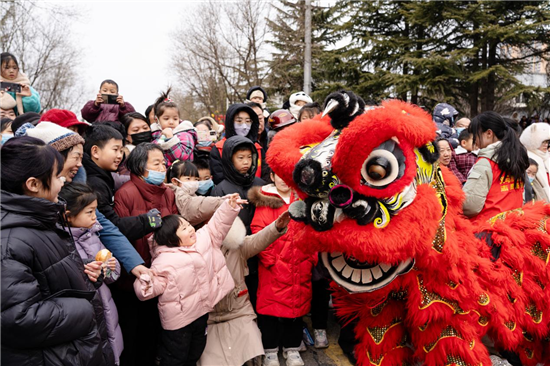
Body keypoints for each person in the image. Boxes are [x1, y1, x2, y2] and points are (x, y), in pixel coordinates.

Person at [1, 136, 114, 365]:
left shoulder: (40, 221)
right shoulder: (10, 240)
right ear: (33, 184)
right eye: (56, 176)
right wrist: (84, 305)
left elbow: (46, 279)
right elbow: (18, 319)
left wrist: (84, 275)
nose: (62, 183)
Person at [134, 194, 245, 366]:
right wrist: (146, 281)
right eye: (184, 229)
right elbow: (151, 288)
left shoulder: (202, 240)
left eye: (188, 225)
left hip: (201, 313)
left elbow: (217, 224)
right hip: (178, 323)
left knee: (196, 350)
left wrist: (228, 207)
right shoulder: (163, 261)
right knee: (175, 357)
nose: (191, 229)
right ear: (171, 238)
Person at [113, 142, 179, 366]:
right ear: (141, 167)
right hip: (134, 280)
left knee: (158, 335)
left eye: (164, 162)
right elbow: (120, 235)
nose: (163, 167)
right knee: (135, 337)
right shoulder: (124, 194)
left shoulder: (168, 193)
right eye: (157, 163)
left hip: (165, 277)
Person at [198, 212, 289, 366]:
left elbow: (258, 240)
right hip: (209, 318)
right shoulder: (194, 252)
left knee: (250, 349)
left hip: (239, 312)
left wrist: (276, 227)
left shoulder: (237, 247)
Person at [249, 172, 317, 366]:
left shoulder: (303, 199)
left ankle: (292, 349)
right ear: (271, 176)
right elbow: (258, 231)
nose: (283, 180)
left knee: (296, 310)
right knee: (269, 311)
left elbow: (312, 231)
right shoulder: (267, 199)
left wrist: (310, 258)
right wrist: (271, 260)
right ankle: (270, 350)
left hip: (300, 265)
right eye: (279, 175)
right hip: (273, 269)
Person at [59, 183, 124, 365]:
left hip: (105, 305)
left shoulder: (92, 235)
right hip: (86, 313)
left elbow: (112, 275)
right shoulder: (61, 242)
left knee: (110, 346)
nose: (95, 217)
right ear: (68, 216)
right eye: (89, 212)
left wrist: (110, 266)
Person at [82, 124, 161, 242]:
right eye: (115, 150)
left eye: (121, 150)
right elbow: (111, 225)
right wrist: (148, 220)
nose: (120, 156)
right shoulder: (95, 184)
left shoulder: (102, 176)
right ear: (95, 151)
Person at [463, 111, 529, 225]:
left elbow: (471, 205)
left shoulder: (485, 161)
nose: (475, 140)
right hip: (514, 226)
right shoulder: (517, 157)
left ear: (489, 133)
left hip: (486, 230)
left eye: (475, 134)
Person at [210, 103, 262, 184]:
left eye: (248, 121)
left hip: (256, 193)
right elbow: (218, 177)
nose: (244, 126)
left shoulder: (258, 148)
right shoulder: (219, 148)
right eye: (239, 121)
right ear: (230, 122)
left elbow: (265, 174)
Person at [167, 159, 225, 227]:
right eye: (188, 178)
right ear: (175, 181)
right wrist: (220, 202)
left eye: (196, 179)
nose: (193, 182)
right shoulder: (178, 194)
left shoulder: (191, 194)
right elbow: (191, 208)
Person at [150, 88, 197, 166]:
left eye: (175, 119)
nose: (171, 122)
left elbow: (182, 158)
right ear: (157, 119)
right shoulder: (155, 135)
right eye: (166, 118)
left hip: (181, 175)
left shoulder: (185, 134)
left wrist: (170, 139)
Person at [519, 123, 550, 200]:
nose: (546, 145)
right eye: (543, 142)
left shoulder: (547, 157)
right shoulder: (527, 158)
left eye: (547, 142)